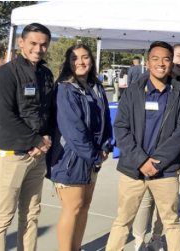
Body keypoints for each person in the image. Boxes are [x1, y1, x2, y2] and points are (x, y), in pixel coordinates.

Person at [105, 41, 180, 251]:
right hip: (132, 169)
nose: (161, 63)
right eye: (155, 58)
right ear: (148, 62)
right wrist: (141, 160)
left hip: (165, 171)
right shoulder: (133, 91)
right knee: (123, 221)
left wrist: (157, 163)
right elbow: (121, 128)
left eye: (166, 59)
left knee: (171, 222)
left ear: (171, 62)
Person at [49, 44, 112, 251]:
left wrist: (105, 146)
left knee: (84, 206)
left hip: (93, 157)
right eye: (75, 58)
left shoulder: (95, 86)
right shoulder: (65, 89)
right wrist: (94, 155)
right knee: (72, 208)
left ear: (92, 61)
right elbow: (73, 130)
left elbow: (104, 119)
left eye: (85, 57)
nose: (81, 62)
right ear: (68, 62)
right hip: (71, 158)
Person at [131, 43, 180, 251]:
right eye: (178, 56)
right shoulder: (143, 86)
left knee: (166, 205)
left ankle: (156, 237)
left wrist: (164, 157)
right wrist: (142, 158)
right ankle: (140, 241)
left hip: (172, 157)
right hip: (144, 156)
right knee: (145, 201)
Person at [0, 23, 54, 251]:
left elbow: (49, 111)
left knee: (31, 214)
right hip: (13, 156)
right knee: (3, 218)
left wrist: (46, 139)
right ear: (21, 42)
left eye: (43, 45)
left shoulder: (46, 74)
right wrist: (36, 140)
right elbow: (4, 115)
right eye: (33, 43)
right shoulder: (7, 73)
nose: (38, 49)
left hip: (37, 156)